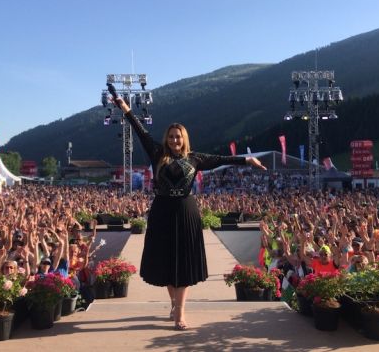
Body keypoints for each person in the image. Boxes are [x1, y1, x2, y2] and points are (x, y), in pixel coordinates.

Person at [114, 97, 266, 330]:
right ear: (167, 138)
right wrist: (125, 109)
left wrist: (248, 160)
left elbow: (222, 159)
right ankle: (174, 303)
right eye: (172, 136)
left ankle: (180, 313)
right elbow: (140, 131)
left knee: (182, 263)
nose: (175, 140)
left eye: (179, 136)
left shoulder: (195, 159)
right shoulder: (157, 153)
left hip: (186, 212)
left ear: (184, 139)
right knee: (166, 262)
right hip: (162, 212)